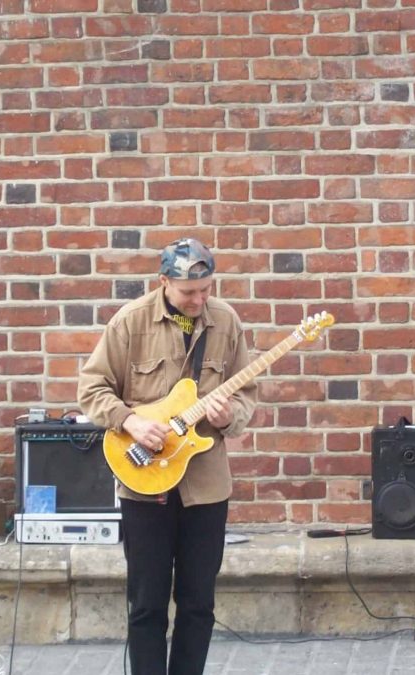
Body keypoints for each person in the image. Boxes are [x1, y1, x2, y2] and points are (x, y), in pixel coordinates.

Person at [77, 237, 257, 675]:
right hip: (144, 486)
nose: (199, 300)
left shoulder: (226, 322)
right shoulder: (130, 323)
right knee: (147, 604)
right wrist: (130, 421)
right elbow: (91, 390)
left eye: (206, 290)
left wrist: (231, 413)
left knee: (199, 603)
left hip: (206, 487)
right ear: (163, 282)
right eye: (188, 292)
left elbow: (247, 395)